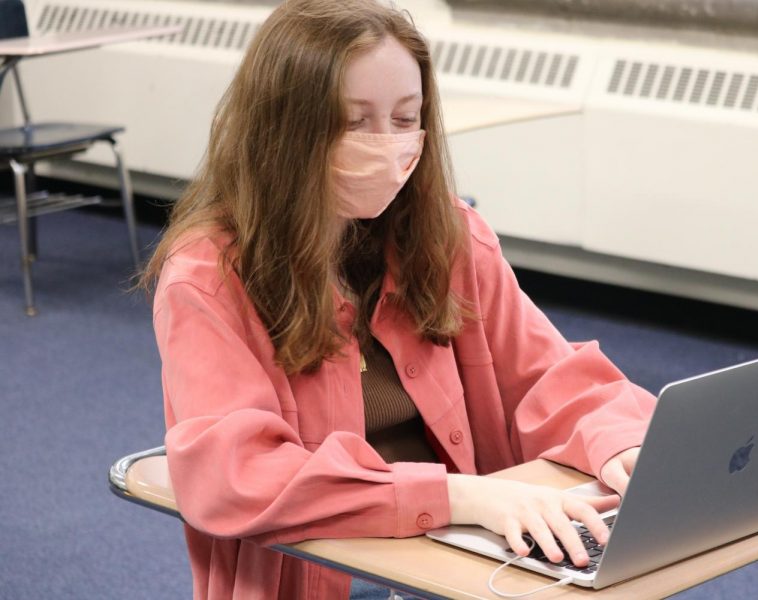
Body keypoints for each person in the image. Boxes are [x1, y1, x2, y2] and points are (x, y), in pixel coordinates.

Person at [140, 1, 657, 598]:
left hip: (459, 556)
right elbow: (237, 475)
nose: (387, 146)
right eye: (355, 122)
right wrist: (458, 496)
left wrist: (622, 439)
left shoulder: (450, 237)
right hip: (323, 570)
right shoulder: (209, 275)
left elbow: (549, 374)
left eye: (405, 117)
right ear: (284, 131)